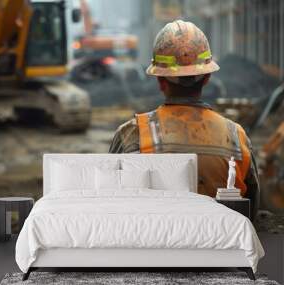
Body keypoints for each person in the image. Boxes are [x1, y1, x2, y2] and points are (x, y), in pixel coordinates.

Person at [109, 20, 260, 221]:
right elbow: (251, 211)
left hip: (154, 248)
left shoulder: (132, 134)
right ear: (206, 78)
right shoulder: (236, 137)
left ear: (160, 81)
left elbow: (110, 208)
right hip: (222, 249)